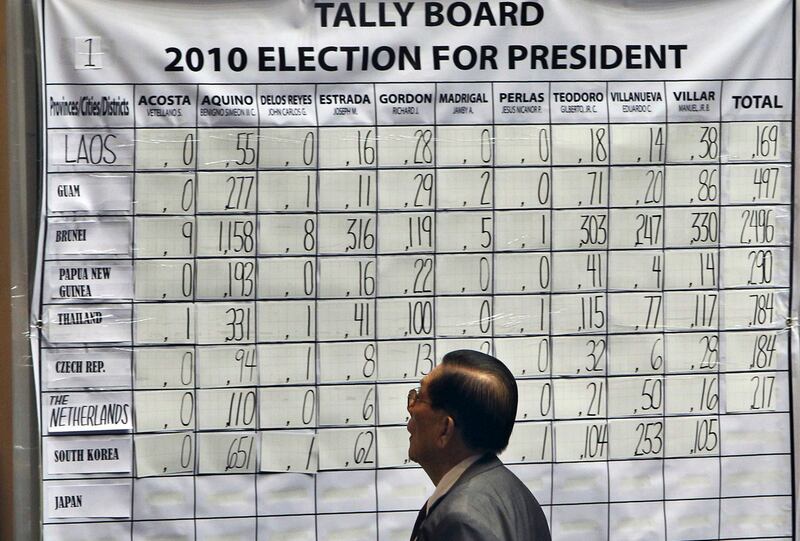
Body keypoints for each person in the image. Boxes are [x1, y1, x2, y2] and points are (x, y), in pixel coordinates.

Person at [406, 349, 551, 541]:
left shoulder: (460, 521)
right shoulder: (514, 495)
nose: (411, 409)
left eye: (419, 398)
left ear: (445, 429)